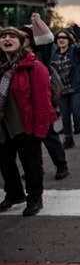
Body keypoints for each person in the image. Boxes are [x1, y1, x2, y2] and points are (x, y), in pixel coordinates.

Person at [0, 27, 56, 216]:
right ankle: (14, 194)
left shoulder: (33, 66)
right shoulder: (1, 67)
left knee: (30, 164)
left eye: (12, 37)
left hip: (26, 125)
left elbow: (42, 101)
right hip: (4, 126)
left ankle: (34, 198)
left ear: (21, 42)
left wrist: (40, 129)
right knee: (5, 162)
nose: (7, 39)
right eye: (3, 37)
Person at [20, 15, 70, 180]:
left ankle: (61, 165)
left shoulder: (41, 55)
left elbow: (47, 39)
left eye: (26, 37)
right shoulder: (14, 57)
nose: (23, 40)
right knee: (29, 139)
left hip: (42, 102)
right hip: (23, 104)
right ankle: (35, 168)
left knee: (48, 135)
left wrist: (37, 23)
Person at [50, 25, 80, 151]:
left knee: (78, 113)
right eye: (59, 38)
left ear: (69, 40)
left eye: (64, 38)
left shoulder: (74, 51)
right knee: (65, 115)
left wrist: (78, 31)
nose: (61, 40)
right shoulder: (54, 54)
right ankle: (68, 139)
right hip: (62, 90)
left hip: (76, 87)